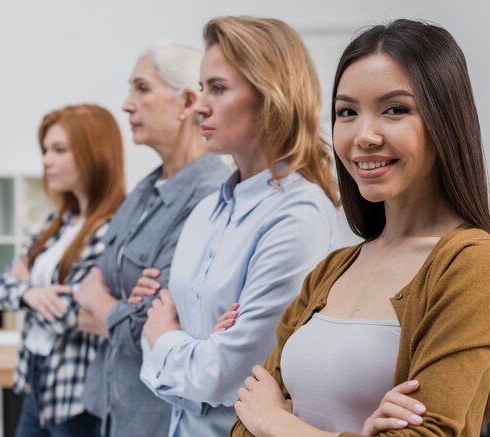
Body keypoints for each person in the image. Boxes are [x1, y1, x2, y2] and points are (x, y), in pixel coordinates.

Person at [230, 19, 490, 437]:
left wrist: (277, 422)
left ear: (445, 120)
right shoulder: (332, 270)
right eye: (347, 112)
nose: (363, 135)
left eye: (395, 109)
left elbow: (260, 417)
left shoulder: (473, 264)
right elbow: (244, 420)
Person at [131, 16, 341, 437]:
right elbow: (150, 331)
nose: (200, 105)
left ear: (271, 95)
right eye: (202, 87)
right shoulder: (206, 210)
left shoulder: (298, 214)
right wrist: (192, 347)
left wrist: (170, 340)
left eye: (219, 88)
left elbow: (228, 375)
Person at [73, 43, 230, 437]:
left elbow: (143, 325)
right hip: (110, 406)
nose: (127, 105)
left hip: (157, 418)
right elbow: (87, 279)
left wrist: (100, 301)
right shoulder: (145, 189)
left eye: (142, 89)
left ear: (188, 102)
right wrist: (112, 302)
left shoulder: (210, 196)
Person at [0, 104, 126, 437]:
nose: (46, 160)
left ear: (93, 153)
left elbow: (79, 313)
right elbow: (2, 283)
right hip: (34, 375)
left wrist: (25, 295)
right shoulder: (56, 222)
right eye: (45, 150)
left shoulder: (113, 229)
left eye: (59, 150)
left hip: (77, 392)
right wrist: (31, 294)